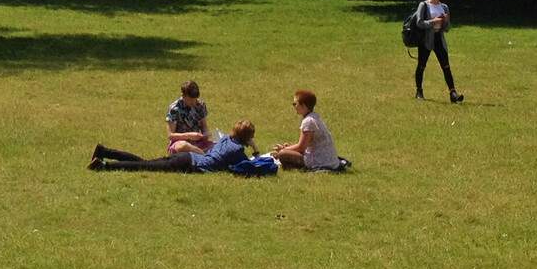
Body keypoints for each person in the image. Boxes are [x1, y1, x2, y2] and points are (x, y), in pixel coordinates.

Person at [90, 121, 258, 172]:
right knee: (145, 166)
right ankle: (104, 166)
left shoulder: (225, 139)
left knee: (146, 163)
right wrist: (255, 149)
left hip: (188, 158)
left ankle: (104, 152)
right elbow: (251, 168)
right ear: (248, 137)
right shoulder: (237, 151)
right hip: (189, 163)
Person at [410, 0, 464, 103]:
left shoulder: (444, 7)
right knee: (422, 65)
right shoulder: (424, 5)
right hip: (426, 39)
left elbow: (447, 28)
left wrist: (445, 21)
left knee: (446, 66)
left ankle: (453, 93)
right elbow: (419, 23)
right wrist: (433, 22)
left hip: (439, 38)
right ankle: (419, 91)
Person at [272, 90, 346, 170]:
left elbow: (301, 148)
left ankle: (294, 167)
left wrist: (283, 150)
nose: (294, 106)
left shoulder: (308, 122)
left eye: (295, 104)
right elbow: (304, 145)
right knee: (287, 150)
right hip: (327, 160)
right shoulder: (314, 117)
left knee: (283, 154)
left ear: (303, 105)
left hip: (320, 161)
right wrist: (289, 147)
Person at [164, 80, 212, 151]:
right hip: (179, 143)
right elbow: (171, 135)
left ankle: (199, 153)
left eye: (195, 100)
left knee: (219, 146)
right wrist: (189, 136)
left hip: (198, 142)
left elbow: (204, 126)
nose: (193, 103)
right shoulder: (174, 109)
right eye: (190, 100)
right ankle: (203, 155)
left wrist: (205, 134)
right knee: (183, 146)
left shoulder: (200, 105)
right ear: (183, 96)